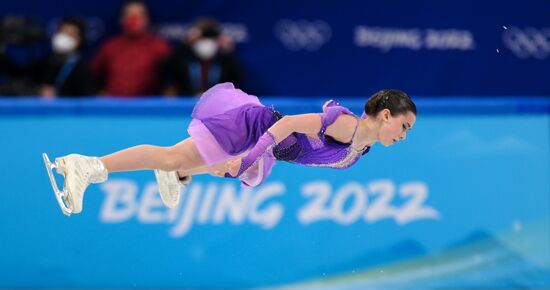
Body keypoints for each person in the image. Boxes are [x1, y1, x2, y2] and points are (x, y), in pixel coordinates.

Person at [43, 83, 416, 215]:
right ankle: (86, 165)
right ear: (385, 114)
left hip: (269, 148)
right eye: (404, 125)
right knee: (175, 155)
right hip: (256, 128)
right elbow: (284, 124)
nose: (404, 135)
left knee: (213, 167)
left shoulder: (360, 149)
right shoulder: (347, 125)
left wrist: (250, 159)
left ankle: (179, 173)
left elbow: (297, 146)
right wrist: (250, 155)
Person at [91, 1, 170, 96]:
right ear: (121, 19)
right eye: (129, 15)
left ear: (147, 19)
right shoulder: (109, 47)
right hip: (114, 105)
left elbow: (172, 80)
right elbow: (92, 76)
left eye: (139, 15)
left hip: (148, 105)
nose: (134, 19)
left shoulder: (159, 47)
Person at [163, 17, 243, 96]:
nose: (206, 41)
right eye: (202, 38)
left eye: (210, 37)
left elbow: (238, 78)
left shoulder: (224, 61)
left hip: (217, 105)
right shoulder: (184, 59)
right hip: (188, 103)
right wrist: (185, 44)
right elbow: (167, 68)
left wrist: (228, 52)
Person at [36, 16, 97, 97]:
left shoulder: (82, 69)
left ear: (79, 40)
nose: (65, 38)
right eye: (63, 33)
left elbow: (87, 100)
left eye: (71, 35)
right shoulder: (47, 60)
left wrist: (57, 95)